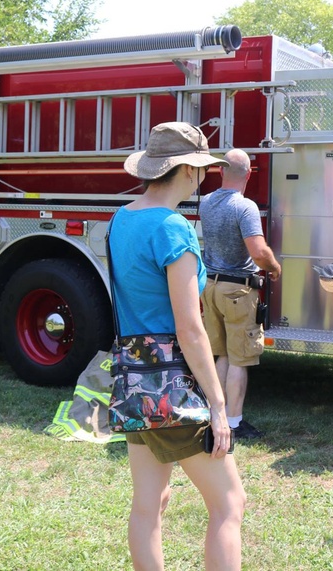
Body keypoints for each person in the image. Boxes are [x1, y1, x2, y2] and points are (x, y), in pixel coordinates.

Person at [112, 122, 246, 570]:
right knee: (229, 503)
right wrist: (218, 402)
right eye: (203, 167)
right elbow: (191, 329)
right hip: (174, 384)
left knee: (150, 503)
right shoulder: (173, 228)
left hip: (133, 378)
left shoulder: (121, 219)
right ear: (189, 171)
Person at [199, 149, 282, 440]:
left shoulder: (206, 202)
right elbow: (258, 252)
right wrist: (273, 267)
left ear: (221, 172)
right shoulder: (244, 207)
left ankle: (217, 416)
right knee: (240, 359)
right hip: (237, 290)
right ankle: (234, 424)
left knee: (221, 354)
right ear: (249, 174)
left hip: (210, 286)